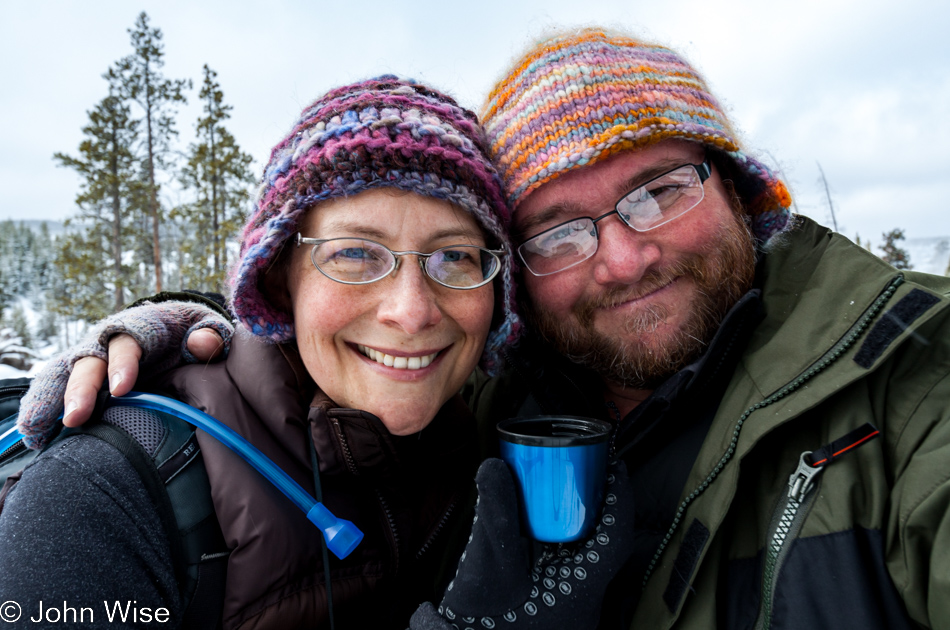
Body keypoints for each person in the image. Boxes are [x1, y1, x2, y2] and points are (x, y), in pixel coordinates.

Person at [18, 28, 950, 629]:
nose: (623, 260)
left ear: (745, 195)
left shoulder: (915, 383)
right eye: (559, 231)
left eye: (660, 191)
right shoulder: (116, 490)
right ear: (281, 277)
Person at [0, 76, 521, 630]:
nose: (412, 311)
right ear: (277, 279)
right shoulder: (101, 496)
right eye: (353, 253)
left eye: (455, 257)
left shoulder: (508, 437)